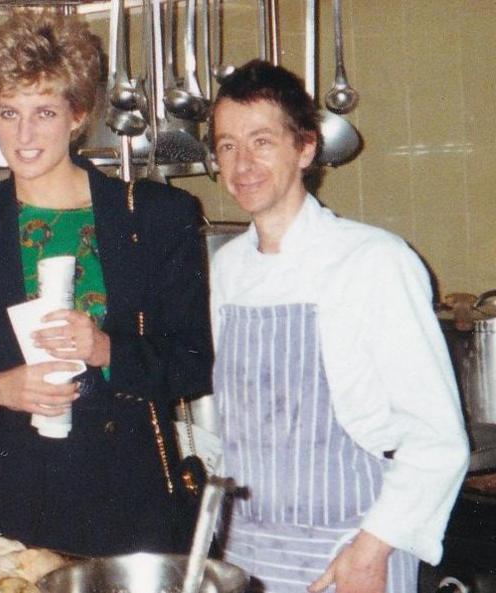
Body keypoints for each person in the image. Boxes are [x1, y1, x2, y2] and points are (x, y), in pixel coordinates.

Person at [0, 11, 213, 556]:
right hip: (15, 507)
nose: (24, 135)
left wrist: (106, 348)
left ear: (79, 115)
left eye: (45, 112)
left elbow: (194, 363)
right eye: (9, 112)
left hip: (130, 501)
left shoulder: (155, 216)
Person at [208, 60, 469, 593]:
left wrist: (370, 551)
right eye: (228, 145)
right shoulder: (227, 268)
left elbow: (438, 439)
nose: (242, 164)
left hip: (348, 552)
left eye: (261, 141)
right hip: (247, 549)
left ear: (305, 149)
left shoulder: (372, 260)